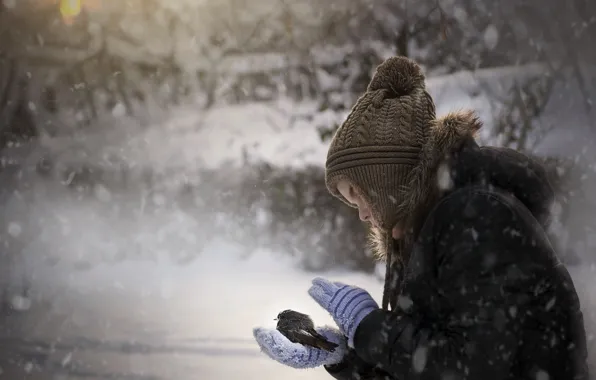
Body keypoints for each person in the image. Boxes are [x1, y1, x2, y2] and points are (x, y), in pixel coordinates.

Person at [252, 56, 589, 379]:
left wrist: (370, 326)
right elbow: (425, 364)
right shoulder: (426, 229)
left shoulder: (476, 217)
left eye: (359, 195)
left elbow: (475, 368)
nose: (363, 214)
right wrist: (345, 355)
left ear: (388, 182)